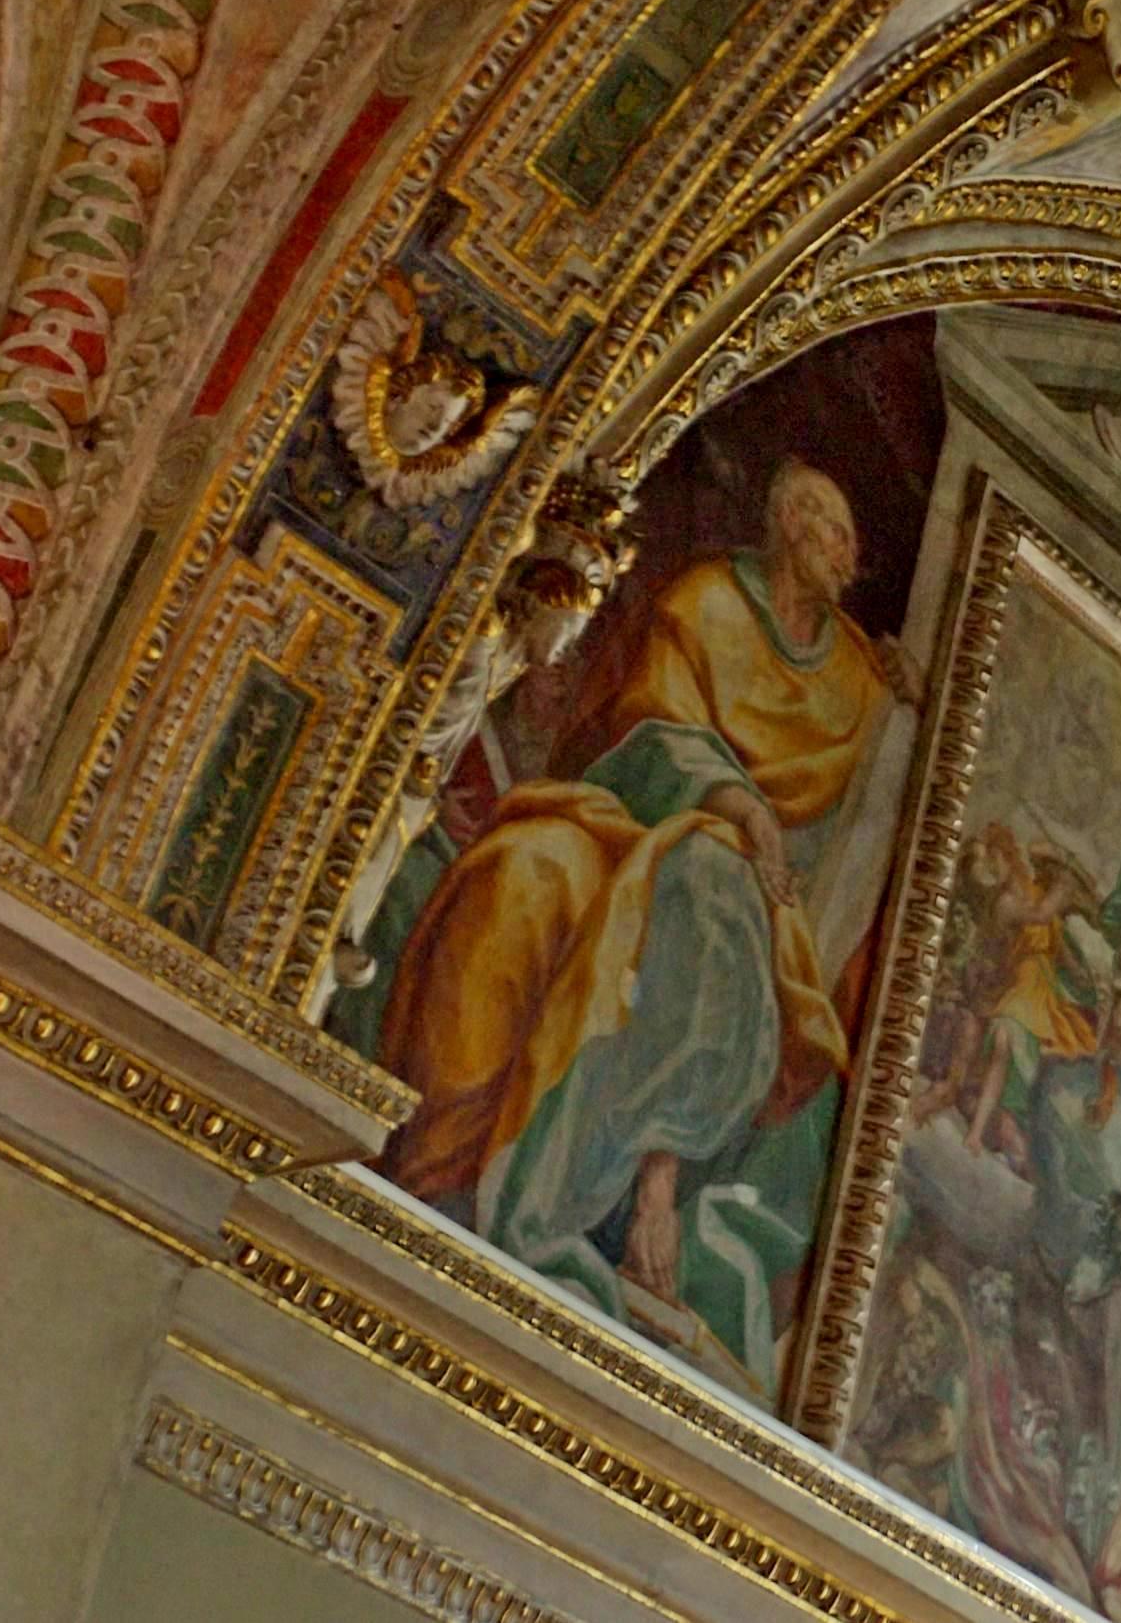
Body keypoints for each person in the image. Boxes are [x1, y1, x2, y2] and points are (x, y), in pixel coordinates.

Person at [378, 457, 906, 1391]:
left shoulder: (861, 678)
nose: (847, 555)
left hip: (748, 893)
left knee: (714, 883)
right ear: (786, 525)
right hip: (639, 822)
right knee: (536, 875)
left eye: (851, 539)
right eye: (829, 529)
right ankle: (487, 1166)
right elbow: (649, 727)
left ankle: (643, 1183)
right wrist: (733, 803)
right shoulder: (707, 602)